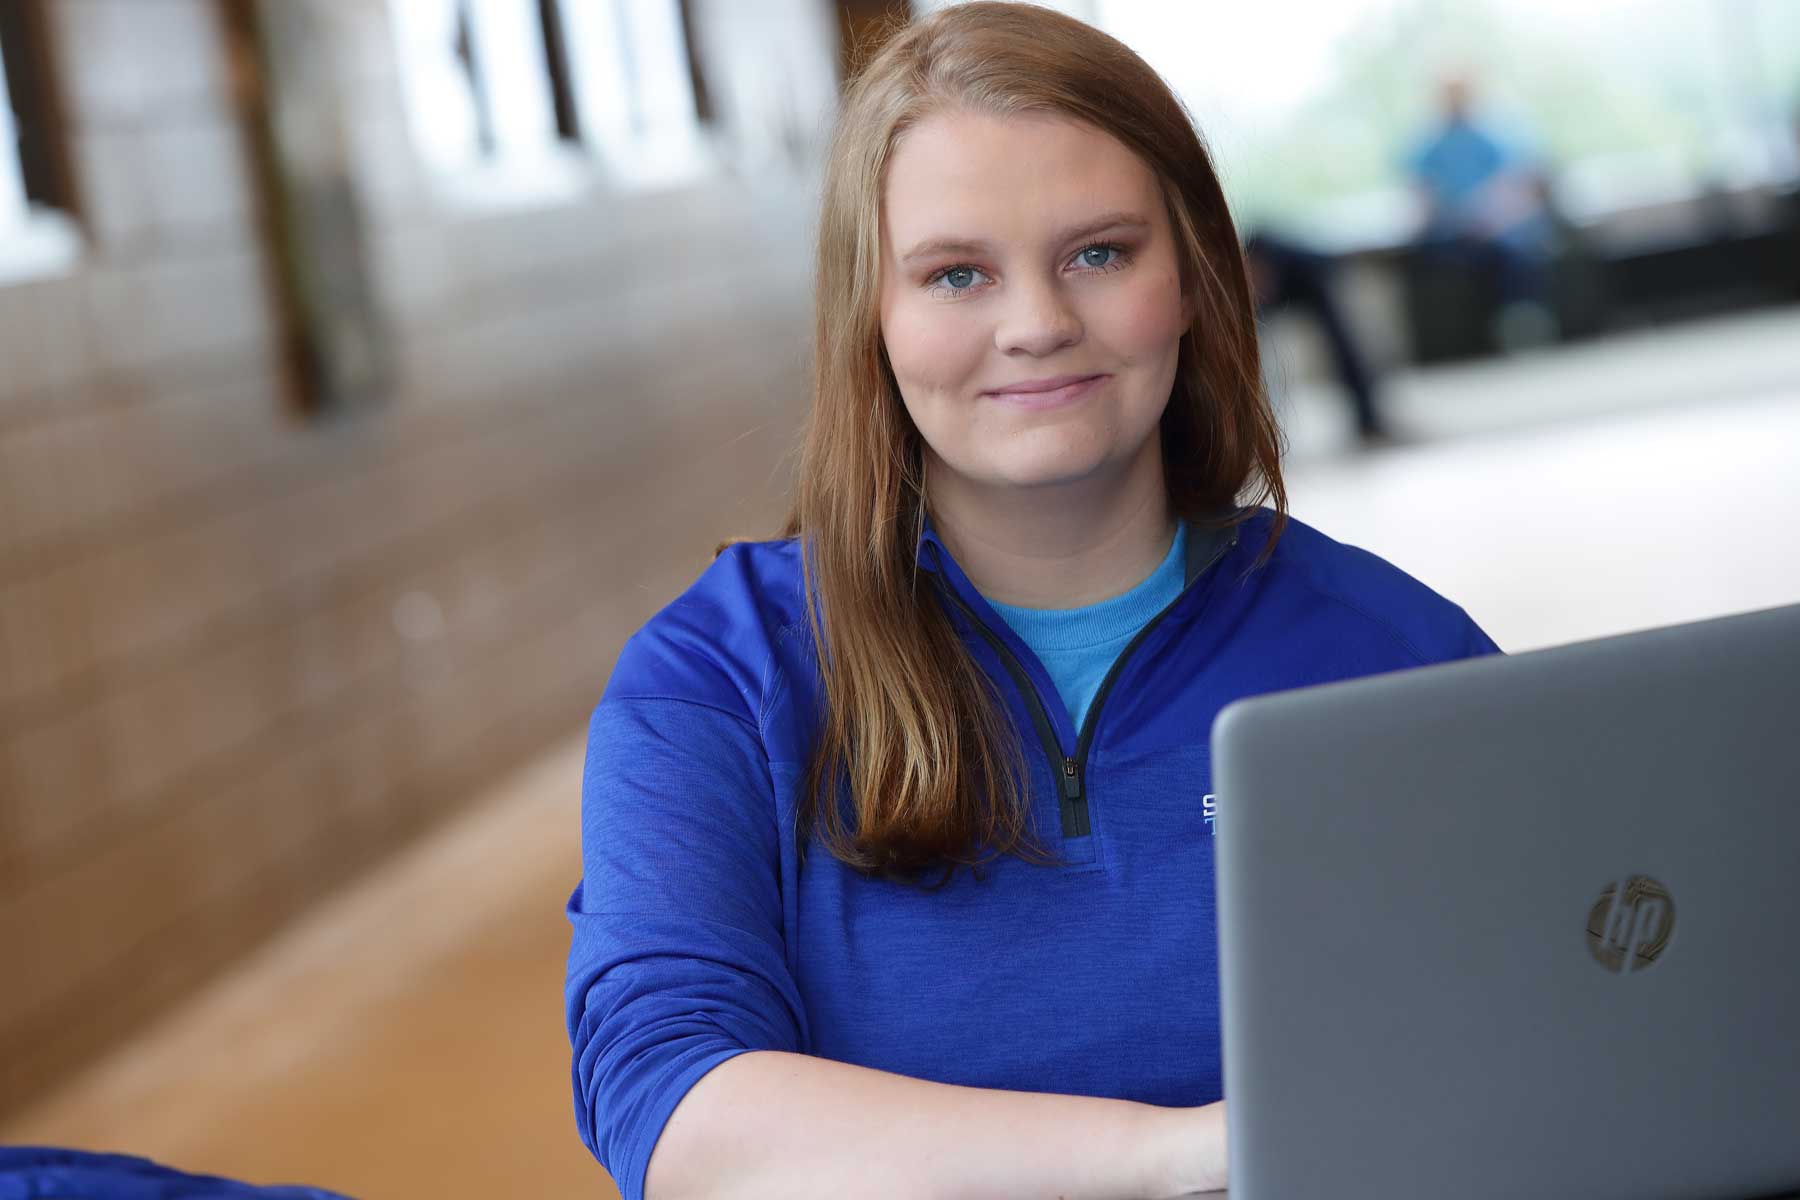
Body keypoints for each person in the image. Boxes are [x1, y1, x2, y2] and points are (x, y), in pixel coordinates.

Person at [564, 6, 1502, 1199]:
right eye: (957, 273)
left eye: (1099, 253)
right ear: (873, 316)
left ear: (1196, 277)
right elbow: (675, 1107)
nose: (1037, 326)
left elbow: (1554, 1033)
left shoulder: (1396, 650)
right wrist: (1188, 1156)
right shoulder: (721, 674)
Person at [1404, 73, 1560, 350]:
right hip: (1452, 231)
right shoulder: (1428, 146)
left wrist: (1492, 221)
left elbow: (1514, 188)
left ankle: (1521, 326)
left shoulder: (1495, 136)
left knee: (1513, 253)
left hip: (1497, 227)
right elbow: (1422, 195)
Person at [1243, 227, 1394, 447]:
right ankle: (1252, 434)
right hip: (1275, 291)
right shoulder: (1248, 265)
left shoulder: (1306, 267)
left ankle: (1368, 419)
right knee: (1248, 350)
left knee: (1344, 349)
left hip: (1312, 285)